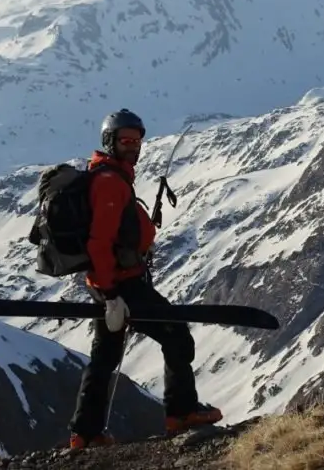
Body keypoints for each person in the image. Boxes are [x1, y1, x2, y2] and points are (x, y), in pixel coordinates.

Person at [68, 108, 223, 450]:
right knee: (177, 336)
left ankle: (86, 433)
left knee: (105, 357)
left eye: (137, 141)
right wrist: (111, 295)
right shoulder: (109, 183)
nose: (133, 147)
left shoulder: (110, 176)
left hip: (111, 284)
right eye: (125, 140)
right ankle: (182, 413)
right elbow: (99, 242)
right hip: (122, 285)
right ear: (109, 141)